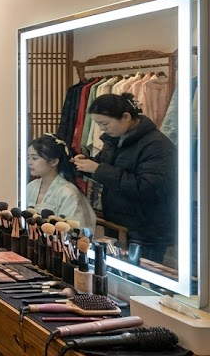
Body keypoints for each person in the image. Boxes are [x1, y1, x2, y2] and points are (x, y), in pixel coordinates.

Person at [73, 93, 176, 262]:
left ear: (126, 117)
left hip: (146, 228)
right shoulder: (115, 140)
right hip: (118, 223)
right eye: (98, 124)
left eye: (104, 123)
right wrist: (85, 165)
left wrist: (98, 169)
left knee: (141, 278)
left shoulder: (157, 146)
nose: (101, 129)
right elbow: (104, 166)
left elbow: (146, 188)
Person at [26, 134, 97, 231]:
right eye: (28, 157)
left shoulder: (68, 193)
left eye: (35, 158)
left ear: (54, 162)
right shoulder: (31, 186)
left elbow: (74, 230)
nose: (29, 162)